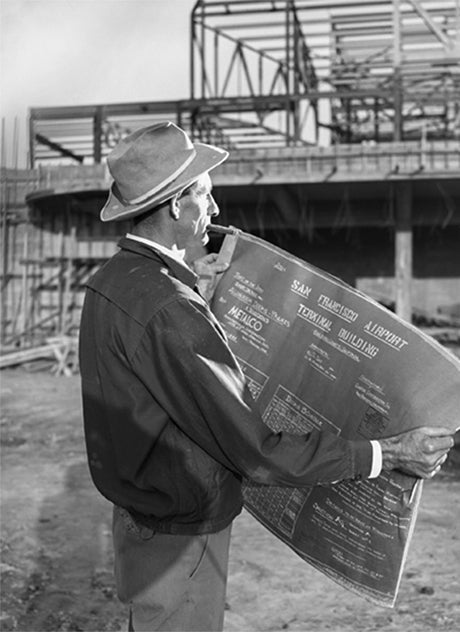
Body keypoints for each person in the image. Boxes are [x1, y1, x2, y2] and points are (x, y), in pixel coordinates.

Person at [79, 121, 454, 632]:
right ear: (174, 206)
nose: (213, 210)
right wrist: (389, 454)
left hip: (138, 517)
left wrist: (199, 304)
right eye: (205, 195)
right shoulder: (171, 310)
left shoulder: (111, 283)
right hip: (180, 537)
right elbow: (260, 452)